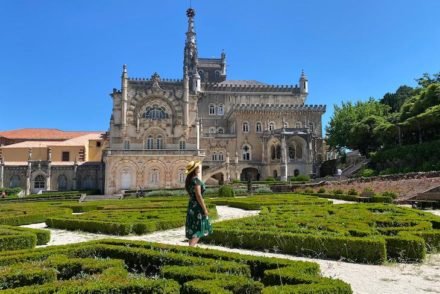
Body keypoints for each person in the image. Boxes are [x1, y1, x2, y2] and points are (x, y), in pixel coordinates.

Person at [184, 160, 212, 246]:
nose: (199, 167)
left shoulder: (189, 181)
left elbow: (192, 195)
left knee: (193, 227)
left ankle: (190, 247)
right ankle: (190, 249)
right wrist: (205, 209)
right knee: (199, 228)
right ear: (194, 169)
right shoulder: (196, 180)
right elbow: (199, 196)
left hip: (192, 205)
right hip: (197, 207)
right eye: (197, 167)